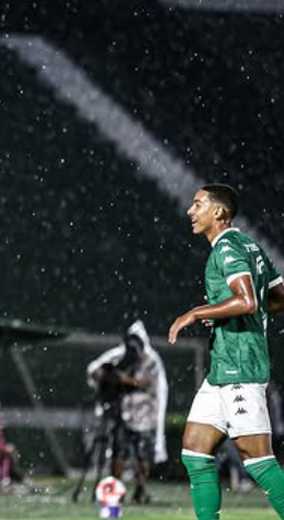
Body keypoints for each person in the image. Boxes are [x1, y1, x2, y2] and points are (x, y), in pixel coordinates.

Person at [169, 183, 284, 520]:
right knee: (195, 451)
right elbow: (275, 299)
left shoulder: (227, 248)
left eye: (198, 204)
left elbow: (247, 300)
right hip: (222, 368)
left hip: (241, 366)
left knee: (259, 462)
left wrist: (197, 312)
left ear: (218, 212)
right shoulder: (250, 244)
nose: (191, 211)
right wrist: (224, 309)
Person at [86, 320, 168, 503]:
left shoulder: (152, 361)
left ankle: (140, 490)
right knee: (118, 452)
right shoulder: (119, 355)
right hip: (122, 412)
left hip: (145, 415)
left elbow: (153, 385)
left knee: (141, 454)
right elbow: (94, 369)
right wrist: (105, 375)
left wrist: (128, 381)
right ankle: (116, 489)